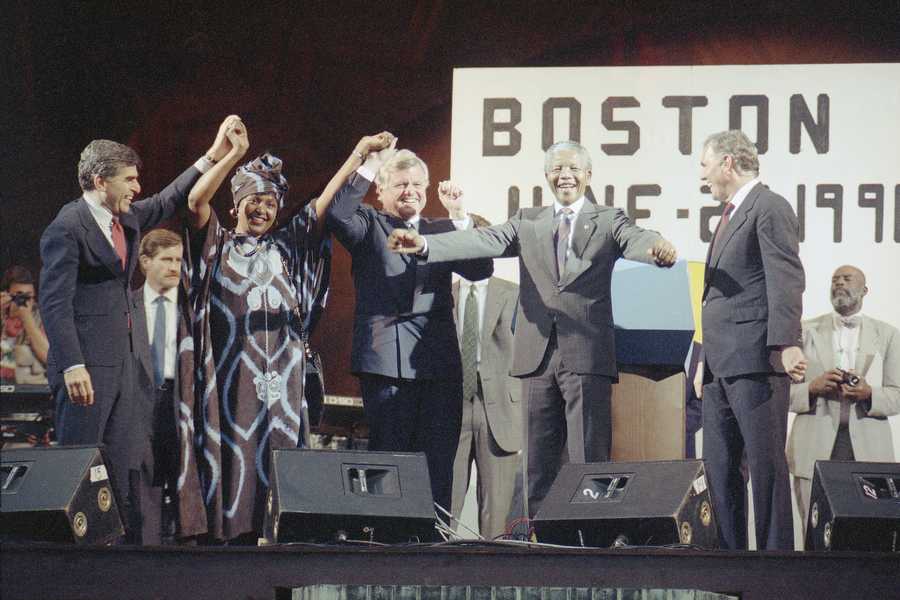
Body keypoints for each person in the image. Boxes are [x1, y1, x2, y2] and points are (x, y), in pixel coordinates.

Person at [387, 141, 677, 518]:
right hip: (535, 358)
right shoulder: (528, 220)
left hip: (586, 355)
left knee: (588, 461)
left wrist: (656, 246)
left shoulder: (608, 219)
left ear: (588, 175)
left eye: (573, 168)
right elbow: (482, 238)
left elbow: (636, 238)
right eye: (557, 169)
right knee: (537, 466)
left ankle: (590, 543)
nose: (565, 175)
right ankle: (542, 547)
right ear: (546, 177)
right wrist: (426, 243)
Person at [178, 127, 396, 543]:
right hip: (228, 383)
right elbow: (194, 200)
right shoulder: (215, 245)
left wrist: (358, 154)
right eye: (253, 199)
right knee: (235, 459)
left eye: (270, 202)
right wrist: (230, 155)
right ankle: (229, 540)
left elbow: (323, 206)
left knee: (283, 462)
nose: (261, 208)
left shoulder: (289, 247)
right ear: (236, 201)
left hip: (283, 383)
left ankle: (281, 537)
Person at [39, 117, 238, 542]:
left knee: (122, 464)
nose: (136, 188)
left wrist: (214, 153)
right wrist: (73, 364)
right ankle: (68, 563)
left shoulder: (125, 221)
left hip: (126, 367)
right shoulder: (67, 227)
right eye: (128, 180)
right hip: (86, 370)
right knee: (79, 467)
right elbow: (53, 304)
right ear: (99, 180)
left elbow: (169, 199)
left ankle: (118, 558)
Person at [326, 149, 494, 515]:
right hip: (386, 362)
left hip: (439, 367)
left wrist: (461, 217)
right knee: (390, 460)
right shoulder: (370, 222)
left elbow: (481, 269)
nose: (410, 191)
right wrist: (368, 163)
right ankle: (382, 545)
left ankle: (432, 546)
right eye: (400, 184)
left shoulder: (440, 229)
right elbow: (337, 215)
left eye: (418, 184)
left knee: (437, 462)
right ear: (381, 191)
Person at [693, 129, 806, 550]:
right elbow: (719, 300)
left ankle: (775, 573)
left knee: (765, 470)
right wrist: (704, 357)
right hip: (722, 365)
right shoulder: (730, 214)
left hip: (757, 361)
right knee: (721, 472)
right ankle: (730, 568)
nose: (701, 177)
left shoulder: (769, 206)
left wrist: (788, 342)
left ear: (727, 163)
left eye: (704, 166)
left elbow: (785, 278)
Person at [787, 265, 899, 536]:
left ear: (865, 290)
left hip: (870, 450)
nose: (839, 283)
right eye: (834, 279)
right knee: (813, 534)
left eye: (847, 279)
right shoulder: (801, 332)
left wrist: (869, 393)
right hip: (813, 446)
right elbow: (781, 395)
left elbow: (897, 394)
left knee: (872, 535)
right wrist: (812, 388)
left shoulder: (889, 334)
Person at [450, 214, 523, 539]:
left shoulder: (515, 294)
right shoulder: (441, 295)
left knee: (497, 519)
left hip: (501, 413)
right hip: (452, 410)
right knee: (443, 509)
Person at [128, 228, 184, 545]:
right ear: (145, 262)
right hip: (140, 409)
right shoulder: (128, 305)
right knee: (145, 491)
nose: (175, 267)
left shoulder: (193, 307)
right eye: (166, 259)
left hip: (180, 405)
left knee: (184, 488)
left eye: (178, 260)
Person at [1, 266, 49, 385]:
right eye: (19, 296)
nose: (24, 301)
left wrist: (27, 318)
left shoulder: (43, 317)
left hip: (32, 386)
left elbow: (49, 358)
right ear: (6, 295)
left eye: (28, 296)